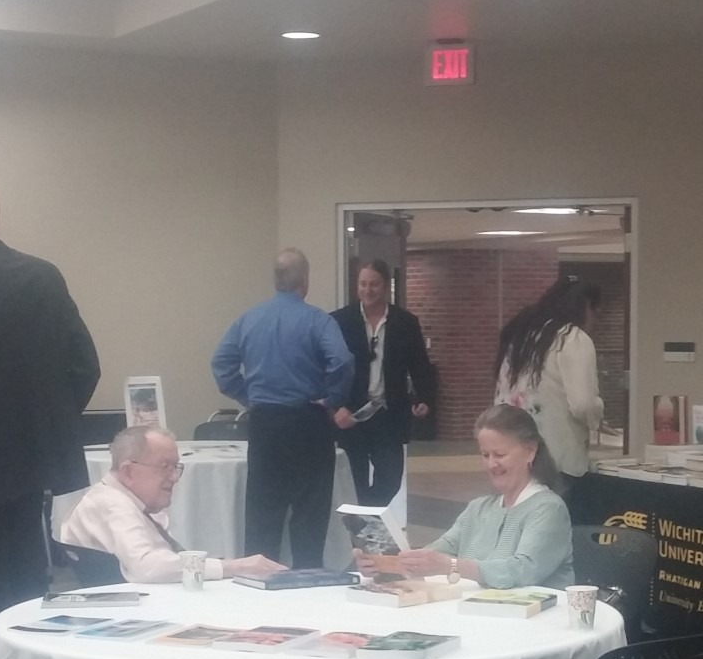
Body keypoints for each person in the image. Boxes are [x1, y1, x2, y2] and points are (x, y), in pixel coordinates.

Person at [0, 181, 101, 629]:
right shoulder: (44, 276)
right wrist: (48, 424)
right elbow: (86, 366)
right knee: (28, 581)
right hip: (34, 469)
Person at [211, 248, 353, 567]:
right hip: (309, 422)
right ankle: (306, 583)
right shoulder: (318, 320)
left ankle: (258, 583)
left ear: (276, 280)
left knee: (263, 511)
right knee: (310, 513)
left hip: (264, 424)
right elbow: (342, 359)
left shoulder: (249, 319)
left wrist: (247, 395)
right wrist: (333, 399)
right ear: (305, 280)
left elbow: (221, 363)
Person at [358, 405, 574, 589]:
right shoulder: (478, 508)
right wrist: (384, 563)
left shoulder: (548, 508)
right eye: (485, 455)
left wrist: (450, 566)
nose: (491, 464)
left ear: (530, 452)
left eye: (500, 455)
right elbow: (437, 552)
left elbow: (523, 570)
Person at [57, 427, 287, 584]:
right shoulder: (113, 504)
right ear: (128, 471)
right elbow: (148, 567)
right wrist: (235, 567)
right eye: (164, 466)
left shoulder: (125, 500)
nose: (174, 477)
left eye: (176, 467)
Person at [330, 259, 439, 507]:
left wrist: (424, 398)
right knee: (352, 479)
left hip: (388, 414)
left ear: (386, 286)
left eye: (374, 284)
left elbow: (420, 365)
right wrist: (335, 408)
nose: (368, 290)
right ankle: (358, 534)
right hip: (352, 416)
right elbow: (328, 369)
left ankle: (369, 511)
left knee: (390, 479)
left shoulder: (405, 323)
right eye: (363, 284)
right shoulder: (339, 321)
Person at [495, 278, 606, 517]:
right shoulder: (573, 338)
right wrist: (598, 415)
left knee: (519, 529)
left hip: (511, 450)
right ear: (586, 307)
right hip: (556, 457)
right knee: (555, 533)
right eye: (596, 314)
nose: (594, 322)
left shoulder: (521, 334)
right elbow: (583, 403)